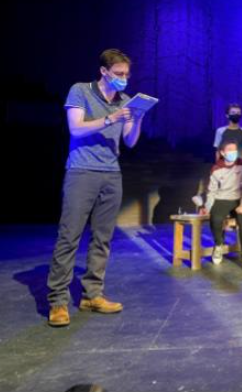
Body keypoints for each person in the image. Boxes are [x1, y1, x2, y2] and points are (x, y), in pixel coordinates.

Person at [47, 49, 148, 327]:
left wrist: (136, 118)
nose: (124, 79)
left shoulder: (126, 101)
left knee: (102, 238)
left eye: (127, 74)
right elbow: (76, 129)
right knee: (69, 236)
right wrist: (110, 119)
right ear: (104, 71)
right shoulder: (80, 91)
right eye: (118, 74)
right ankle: (58, 301)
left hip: (111, 174)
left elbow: (130, 141)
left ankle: (92, 294)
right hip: (81, 171)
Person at [199, 141, 242, 271]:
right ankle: (218, 245)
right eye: (230, 150)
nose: (233, 153)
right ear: (223, 153)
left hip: (239, 199)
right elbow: (212, 191)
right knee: (216, 218)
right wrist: (207, 207)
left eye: (235, 150)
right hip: (222, 198)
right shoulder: (216, 168)